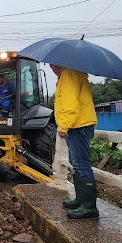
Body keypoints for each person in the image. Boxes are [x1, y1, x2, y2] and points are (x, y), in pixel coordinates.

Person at [50, 64, 99, 219]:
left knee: (81, 164)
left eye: (52, 64)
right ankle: (81, 199)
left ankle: (89, 206)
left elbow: (70, 105)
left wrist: (63, 126)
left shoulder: (68, 75)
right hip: (78, 124)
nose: (51, 68)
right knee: (76, 163)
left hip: (78, 125)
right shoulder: (71, 74)